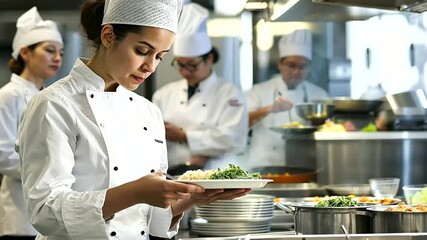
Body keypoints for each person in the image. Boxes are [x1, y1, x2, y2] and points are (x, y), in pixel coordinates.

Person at [16, 0, 250, 239]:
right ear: (108, 36)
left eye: (160, 56)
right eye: (142, 51)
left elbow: (144, 218)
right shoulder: (54, 104)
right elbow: (45, 211)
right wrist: (135, 192)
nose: (150, 66)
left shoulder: (148, 111)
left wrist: (189, 201)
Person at [152, 2, 248, 171]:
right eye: (180, 65)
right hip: (172, 176)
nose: (186, 72)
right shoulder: (163, 94)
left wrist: (183, 135)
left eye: (192, 65)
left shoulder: (229, 93)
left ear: (209, 58)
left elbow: (234, 139)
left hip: (217, 175)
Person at [0, 7, 64, 240]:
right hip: (20, 214)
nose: (57, 58)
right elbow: (2, 155)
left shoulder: (50, 96)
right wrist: (48, 167)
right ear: (25, 53)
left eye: (61, 52)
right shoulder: (8, 96)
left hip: (51, 212)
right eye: (50, 51)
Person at [245, 29, 328, 168]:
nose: (296, 72)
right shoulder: (258, 91)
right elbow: (241, 123)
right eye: (291, 65)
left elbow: (329, 129)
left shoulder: (319, 95)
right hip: (263, 167)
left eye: (303, 66)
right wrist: (270, 109)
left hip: (304, 166)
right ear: (279, 64)